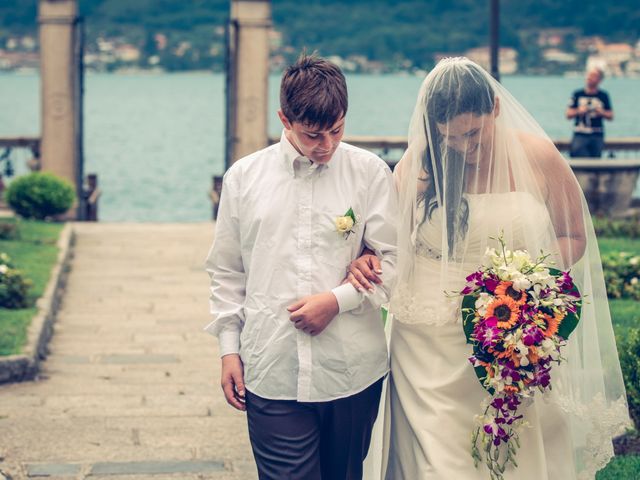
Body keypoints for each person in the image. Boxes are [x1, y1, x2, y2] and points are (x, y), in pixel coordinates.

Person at [350, 57, 629, 479]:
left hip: (514, 331)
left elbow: (573, 235)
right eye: (452, 137)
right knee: (437, 464)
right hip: (427, 344)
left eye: (474, 133)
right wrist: (366, 257)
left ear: (495, 109)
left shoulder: (539, 158)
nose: (464, 147)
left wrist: (526, 290)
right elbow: (387, 245)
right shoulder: (420, 165)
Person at [204, 53, 397, 480]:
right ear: (284, 120)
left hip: (351, 372)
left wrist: (337, 300)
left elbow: (396, 262)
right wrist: (228, 349)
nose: (326, 144)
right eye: (312, 135)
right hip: (271, 366)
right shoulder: (243, 178)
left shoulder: (370, 173)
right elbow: (227, 271)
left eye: (336, 130)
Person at [566, 68, 613, 158]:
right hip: (580, 133)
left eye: (593, 76)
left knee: (595, 160)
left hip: (597, 134)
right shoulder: (577, 94)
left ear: (599, 80)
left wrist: (601, 112)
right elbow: (568, 114)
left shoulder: (603, 95)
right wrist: (579, 111)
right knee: (577, 154)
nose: (590, 78)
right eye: (589, 75)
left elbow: (611, 115)